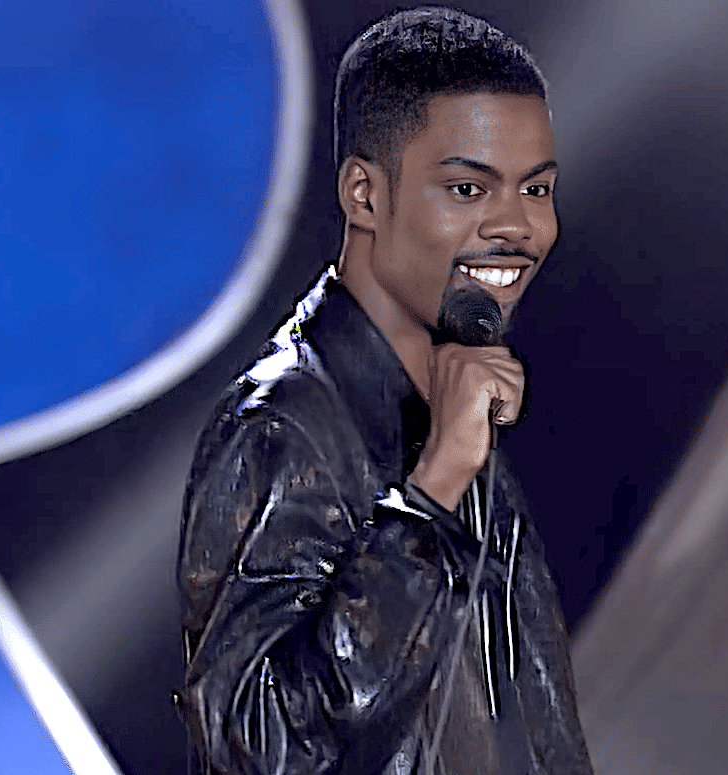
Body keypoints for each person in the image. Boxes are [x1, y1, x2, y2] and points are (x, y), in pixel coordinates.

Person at [175, 7, 594, 774]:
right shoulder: (282, 425)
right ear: (364, 194)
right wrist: (429, 497)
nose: (517, 226)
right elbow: (261, 750)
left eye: (535, 190)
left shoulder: (446, 398)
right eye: (468, 189)